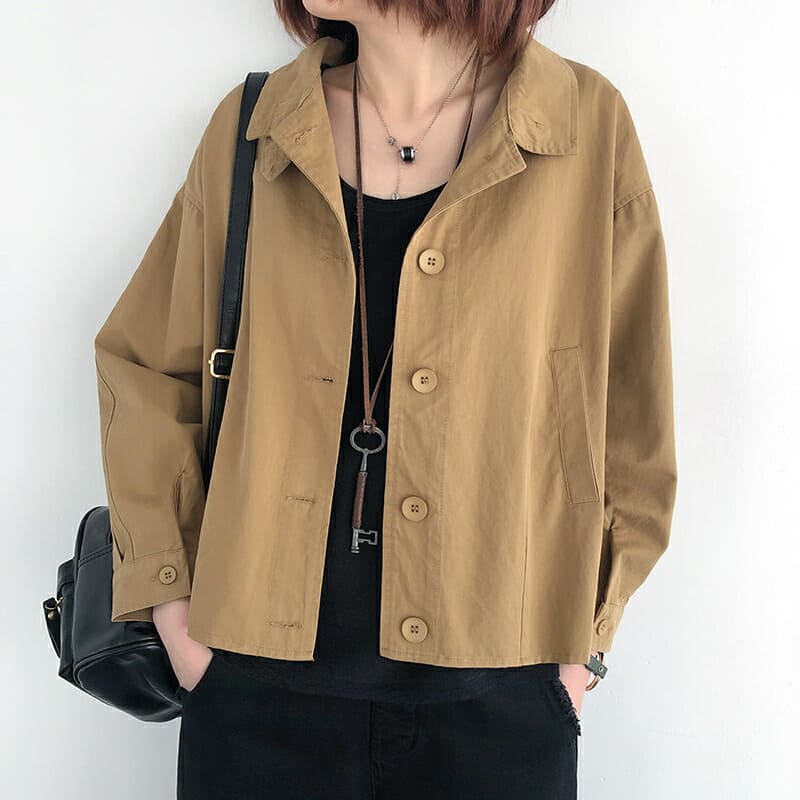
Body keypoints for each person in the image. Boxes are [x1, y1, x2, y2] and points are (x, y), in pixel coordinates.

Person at [92, 1, 677, 797]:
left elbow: (633, 409)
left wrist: (587, 648)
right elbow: (147, 366)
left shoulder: (583, 125)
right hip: (254, 692)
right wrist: (172, 605)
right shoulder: (258, 126)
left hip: (504, 697)